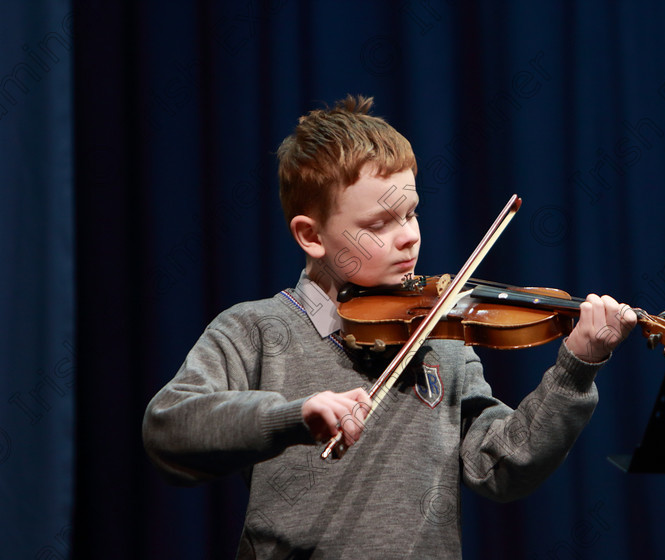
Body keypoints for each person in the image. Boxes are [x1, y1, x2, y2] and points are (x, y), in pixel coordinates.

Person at [142, 95, 638, 559]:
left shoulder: (440, 338)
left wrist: (577, 366)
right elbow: (170, 429)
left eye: (411, 213)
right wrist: (293, 416)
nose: (409, 238)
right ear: (311, 236)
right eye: (379, 224)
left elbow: (501, 466)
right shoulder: (256, 330)